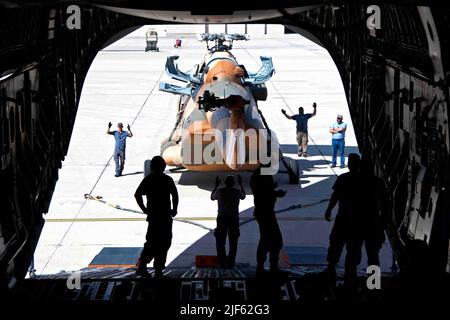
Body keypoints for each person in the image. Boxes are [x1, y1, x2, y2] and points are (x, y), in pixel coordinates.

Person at [324, 153, 364, 287]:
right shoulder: (364, 180)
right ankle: (350, 275)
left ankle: (331, 269)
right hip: (357, 221)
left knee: (336, 244)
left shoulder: (343, 178)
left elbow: (335, 196)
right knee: (353, 249)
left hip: (343, 218)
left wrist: (329, 209)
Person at [135, 156, 178, 278]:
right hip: (165, 216)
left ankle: (143, 265)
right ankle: (158, 269)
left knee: (152, 242)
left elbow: (137, 195)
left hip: (154, 216)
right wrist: (174, 209)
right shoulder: (167, 180)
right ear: (163, 166)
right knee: (164, 242)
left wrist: (145, 209)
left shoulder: (149, 180)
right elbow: (174, 195)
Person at [250, 166, 287, 276]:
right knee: (272, 240)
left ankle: (265, 267)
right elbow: (263, 193)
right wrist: (276, 193)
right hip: (265, 211)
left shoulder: (259, 174)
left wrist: (273, 189)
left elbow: (263, 190)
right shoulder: (263, 175)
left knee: (268, 240)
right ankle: (269, 268)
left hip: (265, 211)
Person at [211, 175, 246, 268]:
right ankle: (231, 262)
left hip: (222, 218)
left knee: (220, 241)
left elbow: (212, 197)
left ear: (225, 182)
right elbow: (243, 196)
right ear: (234, 183)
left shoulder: (220, 191)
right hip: (233, 218)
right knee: (233, 241)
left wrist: (216, 185)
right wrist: (241, 184)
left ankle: (222, 262)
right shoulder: (236, 192)